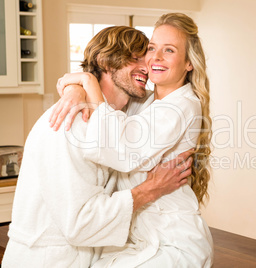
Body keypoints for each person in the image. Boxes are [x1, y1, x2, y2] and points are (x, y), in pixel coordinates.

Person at [2, 26, 194, 267]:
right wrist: (150, 189)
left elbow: (170, 102)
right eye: (135, 59)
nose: (147, 67)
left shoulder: (124, 114)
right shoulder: (68, 123)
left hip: (89, 256)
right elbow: (80, 222)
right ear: (106, 61)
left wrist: (79, 84)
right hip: (47, 260)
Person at [53, 13, 214, 267]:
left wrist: (87, 81)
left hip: (173, 243)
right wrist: (76, 87)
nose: (156, 58)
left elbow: (122, 150)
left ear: (188, 63)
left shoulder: (182, 106)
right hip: (137, 240)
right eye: (152, 48)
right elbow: (111, 99)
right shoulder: (146, 102)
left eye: (169, 50)